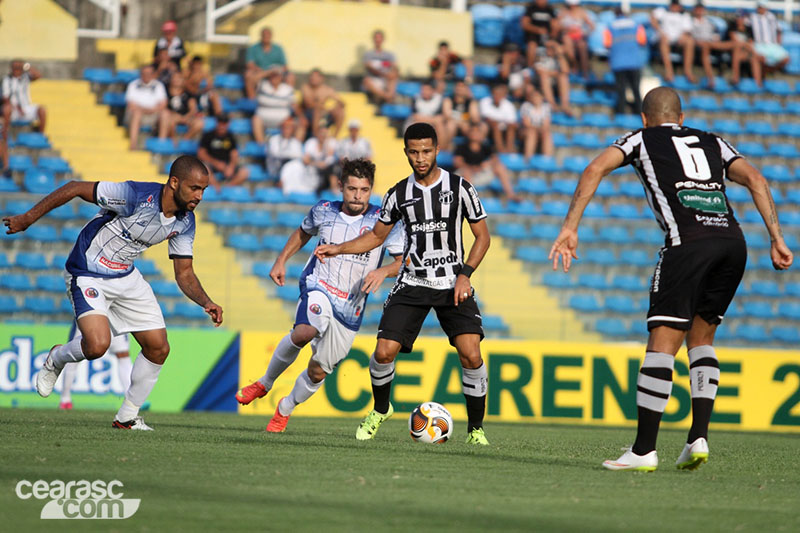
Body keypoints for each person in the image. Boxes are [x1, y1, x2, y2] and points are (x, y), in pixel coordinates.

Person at [548, 87, 793, 471]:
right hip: (733, 242)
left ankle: (644, 450)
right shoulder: (713, 141)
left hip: (688, 244)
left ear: (645, 118)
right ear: (681, 117)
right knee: (702, 338)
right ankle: (698, 438)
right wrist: (777, 238)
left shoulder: (641, 138)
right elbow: (758, 180)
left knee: (662, 343)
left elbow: (594, 168)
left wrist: (569, 227)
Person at [2, 155, 224, 430]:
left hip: (126, 276)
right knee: (97, 346)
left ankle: (127, 417)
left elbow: (184, 273)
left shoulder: (186, 221)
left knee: (158, 348)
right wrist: (27, 218)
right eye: (195, 188)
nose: (200, 196)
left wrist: (206, 301)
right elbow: (74, 187)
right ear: (174, 182)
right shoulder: (134, 195)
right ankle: (57, 357)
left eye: (203, 190)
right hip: (87, 271)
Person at [314, 123, 492, 445]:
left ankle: (475, 430)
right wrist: (338, 248)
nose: (420, 158)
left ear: (437, 150)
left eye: (426, 151)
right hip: (412, 281)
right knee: (383, 353)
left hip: (453, 282)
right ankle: (381, 409)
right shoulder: (399, 194)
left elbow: (483, 236)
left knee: (471, 354)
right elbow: (375, 237)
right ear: (406, 152)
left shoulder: (461, 188)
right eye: (414, 152)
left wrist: (465, 274)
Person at [235, 158, 404, 432]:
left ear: (371, 189)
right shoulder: (323, 211)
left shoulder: (382, 223)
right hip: (319, 287)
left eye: (364, 190)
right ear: (340, 187)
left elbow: (402, 262)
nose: (358, 196)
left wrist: (383, 271)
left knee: (318, 371)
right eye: (352, 189)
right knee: (304, 331)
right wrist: (281, 261)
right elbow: (302, 233)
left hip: (350, 309)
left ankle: (285, 408)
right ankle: (265, 383)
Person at [59, 328, 131, 410]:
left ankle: (131, 400)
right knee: (73, 354)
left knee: (123, 354)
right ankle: (65, 398)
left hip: (115, 319)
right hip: (89, 318)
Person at [454, 123, 518, 201]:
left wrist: (486, 164)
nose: (475, 133)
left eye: (477, 131)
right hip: (466, 175)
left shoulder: (486, 147)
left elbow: (495, 159)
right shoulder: (462, 147)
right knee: (466, 172)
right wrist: (471, 168)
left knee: (499, 167)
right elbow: (457, 162)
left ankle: (511, 195)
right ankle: (469, 200)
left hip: (480, 173)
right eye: (472, 131)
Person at [603, 6, 647, 114]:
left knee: (620, 91)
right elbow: (642, 41)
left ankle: (621, 113)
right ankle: (639, 113)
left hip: (618, 63)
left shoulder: (610, 27)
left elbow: (607, 44)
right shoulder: (636, 25)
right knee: (636, 90)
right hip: (634, 62)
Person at [691, 3, 743, 89]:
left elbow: (714, 34)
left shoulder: (709, 22)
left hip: (712, 42)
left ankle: (736, 76)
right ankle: (711, 78)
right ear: (694, 10)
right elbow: (691, 37)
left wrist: (716, 38)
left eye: (701, 9)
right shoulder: (691, 22)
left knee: (736, 44)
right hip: (701, 44)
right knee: (705, 46)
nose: (699, 11)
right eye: (698, 9)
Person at [198, 114, 250, 190]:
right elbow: (201, 153)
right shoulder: (208, 135)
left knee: (245, 172)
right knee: (205, 169)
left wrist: (231, 167)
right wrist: (216, 163)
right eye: (220, 122)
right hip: (211, 164)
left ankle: (227, 187)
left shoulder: (231, 137)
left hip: (226, 165)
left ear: (228, 124)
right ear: (217, 123)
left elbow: (234, 154)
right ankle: (216, 187)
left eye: (224, 123)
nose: (222, 125)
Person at [650, 0, 696, 83]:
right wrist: (660, 31)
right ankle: (669, 72)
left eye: (676, 5)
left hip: (679, 40)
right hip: (665, 38)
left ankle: (688, 71)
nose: (674, 7)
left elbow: (687, 30)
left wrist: (683, 36)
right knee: (664, 41)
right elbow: (652, 17)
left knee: (690, 42)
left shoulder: (684, 16)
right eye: (673, 5)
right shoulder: (663, 12)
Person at [124, 65, 168, 150]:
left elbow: (163, 104)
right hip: (137, 114)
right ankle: (133, 144)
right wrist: (146, 110)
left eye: (149, 73)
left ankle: (161, 145)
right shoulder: (133, 85)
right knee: (136, 113)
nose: (147, 75)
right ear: (141, 74)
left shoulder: (159, 85)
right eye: (144, 73)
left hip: (153, 114)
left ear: (153, 74)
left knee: (165, 114)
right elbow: (131, 105)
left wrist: (152, 110)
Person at [252, 69, 300, 144]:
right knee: (256, 120)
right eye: (273, 76)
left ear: (281, 77)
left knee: (296, 123)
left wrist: (301, 116)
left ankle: (288, 146)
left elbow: (294, 106)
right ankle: (261, 146)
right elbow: (251, 80)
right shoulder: (262, 85)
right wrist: (268, 72)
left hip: (283, 119)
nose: (275, 78)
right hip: (263, 117)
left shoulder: (287, 89)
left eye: (277, 76)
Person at [244, 27, 293, 100]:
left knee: (291, 76)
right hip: (260, 72)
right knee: (248, 75)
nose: (266, 37)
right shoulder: (253, 48)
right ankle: (252, 100)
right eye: (264, 35)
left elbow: (285, 66)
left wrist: (277, 70)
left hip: (276, 72)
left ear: (271, 36)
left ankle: (289, 99)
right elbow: (249, 64)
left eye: (268, 35)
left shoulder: (278, 48)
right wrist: (261, 70)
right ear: (261, 36)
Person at [2, 59, 47, 133]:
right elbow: (5, 98)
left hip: (26, 108)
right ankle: (4, 136)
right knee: (6, 109)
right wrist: (17, 108)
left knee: (42, 110)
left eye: (19, 67)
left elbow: (38, 75)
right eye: (15, 68)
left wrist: (27, 66)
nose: (17, 70)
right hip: (14, 110)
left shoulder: (25, 77)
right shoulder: (7, 80)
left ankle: (40, 135)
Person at [300, 68, 345, 138]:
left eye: (316, 76)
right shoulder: (306, 87)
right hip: (308, 114)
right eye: (312, 76)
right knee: (317, 110)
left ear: (321, 78)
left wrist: (337, 106)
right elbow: (308, 104)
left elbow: (342, 102)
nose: (313, 78)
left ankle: (334, 137)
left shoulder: (326, 89)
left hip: (323, 113)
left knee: (340, 111)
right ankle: (315, 137)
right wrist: (324, 108)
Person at [160, 72, 204, 143]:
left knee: (199, 123)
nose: (177, 80)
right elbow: (163, 107)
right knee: (170, 120)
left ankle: (185, 140)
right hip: (172, 116)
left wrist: (186, 117)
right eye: (175, 78)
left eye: (179, 78)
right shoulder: (165, 92)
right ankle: (173, 141)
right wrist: (174, 115)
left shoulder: (188, 94)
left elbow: (193, 109)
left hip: (186, 117)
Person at [558, 0, 594, 79]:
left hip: (579, 37)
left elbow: (592, 26)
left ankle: (585, 72)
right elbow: (557, 26)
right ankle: (574, 64)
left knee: (582, 46)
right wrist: (567, 29)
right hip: (567, 37)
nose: (573, 6)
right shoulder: (563, 12)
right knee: (567, 40)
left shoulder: (582, 12)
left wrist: (584, 32)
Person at [267, 117, 305, 192]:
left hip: (291, 167)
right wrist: (290, 155)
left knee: (296, 165)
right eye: (285, 128)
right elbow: (276, 154)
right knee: (290, 164)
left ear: (292, 130)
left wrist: (289, 156)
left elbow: (299, 155)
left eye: (289, 128)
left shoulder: (295, 142)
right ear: (281, 128)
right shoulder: (274, 139)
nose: (286, 130)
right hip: (276, 166)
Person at [750, 2, 789, 73]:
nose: (760, 9)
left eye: (762, 7)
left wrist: (778, 42)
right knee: (761, 59)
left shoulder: (771, 17)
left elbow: (779, 30)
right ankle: (763, 74)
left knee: (786, 59)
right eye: (759, 7)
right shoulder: (753, 17)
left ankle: (769, 71)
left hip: (772, 45)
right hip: (759, 45)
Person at [479, 84, 518, 154]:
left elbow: (512, 122)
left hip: (504, 126)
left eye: (499, 94)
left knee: (511, 127)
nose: (497, 96)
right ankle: (500, 149)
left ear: (503, 96)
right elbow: (487, 118)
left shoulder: (509, 105)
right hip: (489, 126)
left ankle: (509, 149)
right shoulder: (485, 101)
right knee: (495, 125)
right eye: (495, 94)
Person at [520, 0, 561, 68]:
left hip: (547, 36)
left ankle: (557, 69)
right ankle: (530, 68)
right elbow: (524, 24)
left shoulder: (549, 9)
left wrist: (553, 33)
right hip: (533, 36)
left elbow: (555, 24)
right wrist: (537, 30)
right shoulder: (531, 8)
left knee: (557, 47)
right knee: (532, 46)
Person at [408, 81, 449, 149]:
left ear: (432, 91)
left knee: (440, 125)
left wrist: (428, 119)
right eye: (423, 90)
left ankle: (441, 149)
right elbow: (415, 116)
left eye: (427, 90)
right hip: (421, 122)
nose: (424, 92)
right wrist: (432, 119)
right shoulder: (416, 99)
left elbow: (441, 117)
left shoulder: (439, 99)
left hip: (434, 123)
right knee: (416, 125)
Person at [727, 10, 763, 86]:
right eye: (738, 17)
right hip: (735, 51)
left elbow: (750, 43)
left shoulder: (749, 29)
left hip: (746, 52)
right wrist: (746, 45)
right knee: (737, 51)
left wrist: (749, 48)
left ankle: (758, 84)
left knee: (754, 59)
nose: (739, 19)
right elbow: (735, 41)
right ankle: (735, 77)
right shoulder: (732, 27)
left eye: (741, 17)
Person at [362, 30, 398, 104]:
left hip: (386, 80)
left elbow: (395, 68)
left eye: (380, 38)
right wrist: (384, 74)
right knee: (366, 81)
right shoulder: (368, 54)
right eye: (376, 38)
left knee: (394, 76)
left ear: (383, 39)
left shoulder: (389, 55)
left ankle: (388, 96)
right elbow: (369, 68)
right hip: (374, 79)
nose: (378, 40)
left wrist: (391, 74)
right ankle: (387, 97)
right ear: (373, 39)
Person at [519, 85, 553, 158]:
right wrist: (537, 128)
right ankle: (528, 158)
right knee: (532, 133)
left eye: (537, 96)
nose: (535, 98)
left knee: (546, 134)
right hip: (527, 131)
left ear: (542, 97)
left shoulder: (546, 107)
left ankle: (547, 159)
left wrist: (539, 129)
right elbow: (526, 123)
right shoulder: (526, 106)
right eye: (534, 96)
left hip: (539, 130)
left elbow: (546, 124)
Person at [303, 123, 338, 193]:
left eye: (325, 133)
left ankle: (334, 189)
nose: (323, 135)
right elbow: (305, 160)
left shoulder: (331, 142)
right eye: (321, 133)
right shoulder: (311, 142)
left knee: (333, 168)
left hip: (327, 170)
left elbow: (330, 158)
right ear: (317, 133)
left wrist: (326, 143)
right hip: (314, 169)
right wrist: (317, 164)